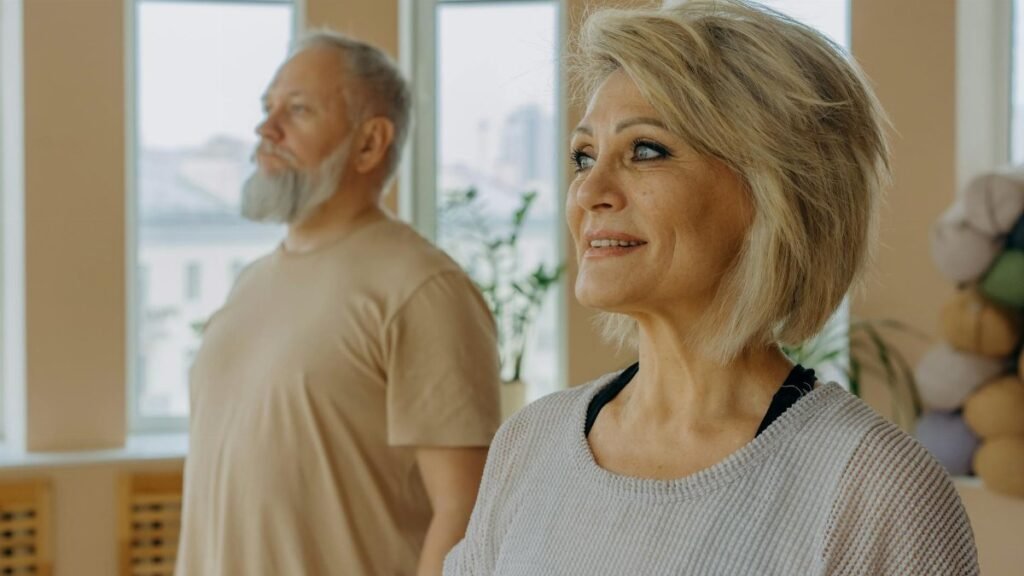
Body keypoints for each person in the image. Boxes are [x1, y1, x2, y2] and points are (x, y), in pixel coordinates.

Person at [444, 2, 979, 574]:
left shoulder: (875, 491)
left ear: (774, 190)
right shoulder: (529, 444)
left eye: (645, 151)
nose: (588, 191)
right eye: (583, 157)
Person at [175, 30, 501, 576]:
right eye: (266, 107)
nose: (265, 128)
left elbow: (464, 510)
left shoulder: (422, 287)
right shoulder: (250, 284)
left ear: (369, 143)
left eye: (297, 110)